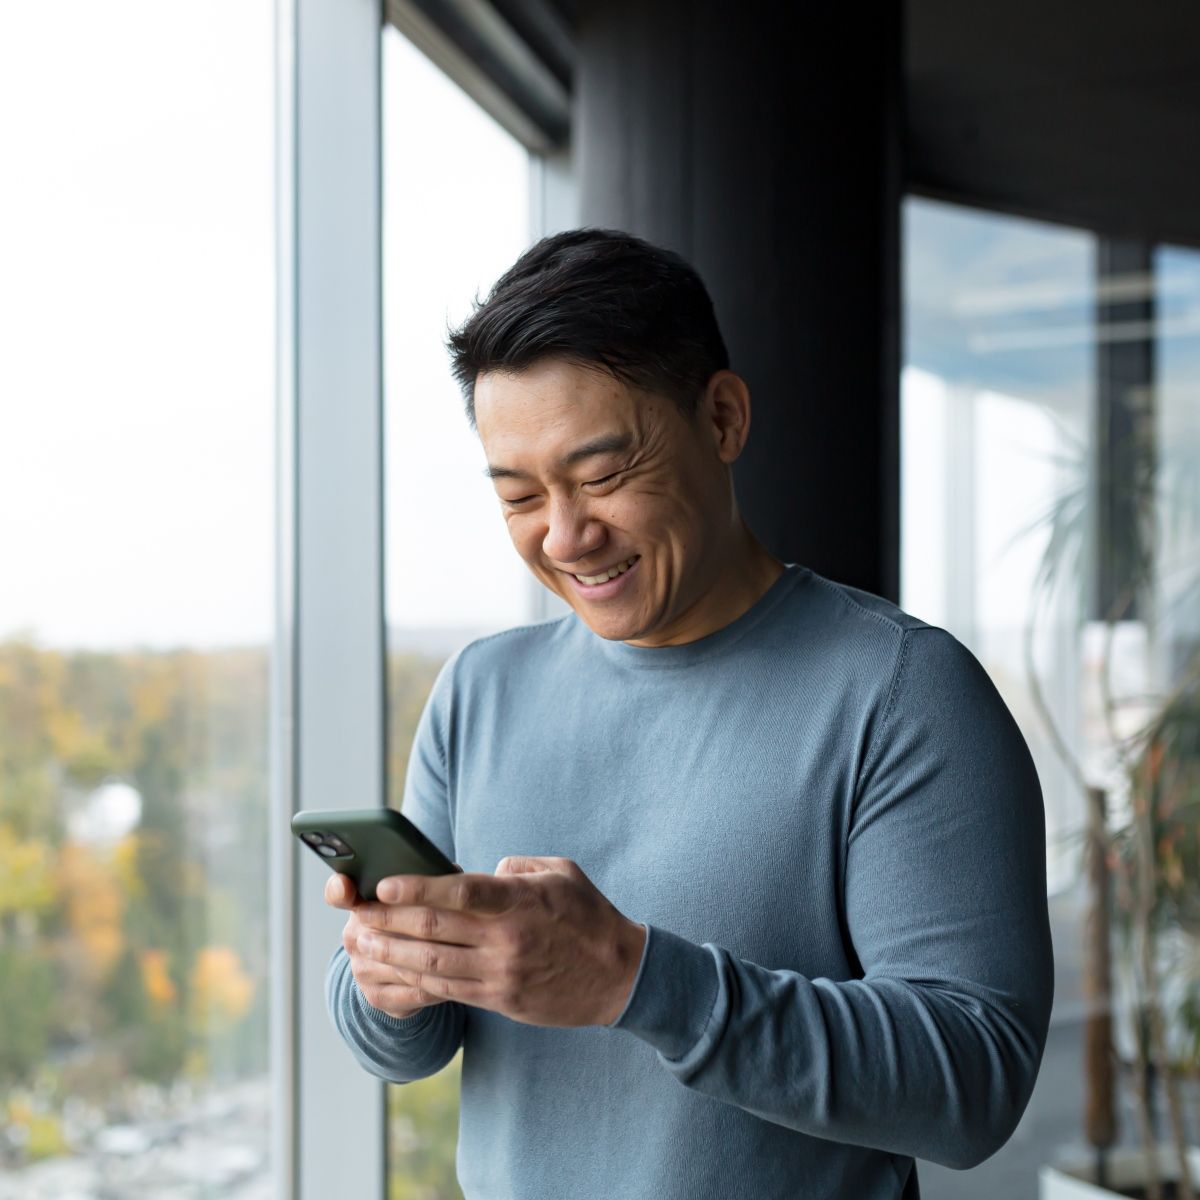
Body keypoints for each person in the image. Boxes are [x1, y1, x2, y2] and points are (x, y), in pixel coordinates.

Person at [324, 228, 1054, 1199]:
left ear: (721, 418)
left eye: (603, 475)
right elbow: (404, 1050)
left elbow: (975, 1083)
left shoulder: (903, 691)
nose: (566, 534)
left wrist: (637, 980)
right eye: (519, 495)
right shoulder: (479, 690)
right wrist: (393, 977)